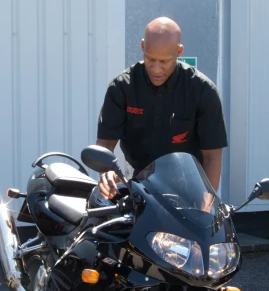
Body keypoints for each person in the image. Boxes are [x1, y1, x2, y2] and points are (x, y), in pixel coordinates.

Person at [96, 17, 228, 201]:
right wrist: (106, 171)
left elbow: (212, 156)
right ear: (143, 46)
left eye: (164, 61)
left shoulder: (203, 91)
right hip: (139, 189)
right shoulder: (121, 88)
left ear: (179, 51)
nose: (156, 69)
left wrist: (207, 202)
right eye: (151, 59)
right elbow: (105, 145)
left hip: (189, 191)